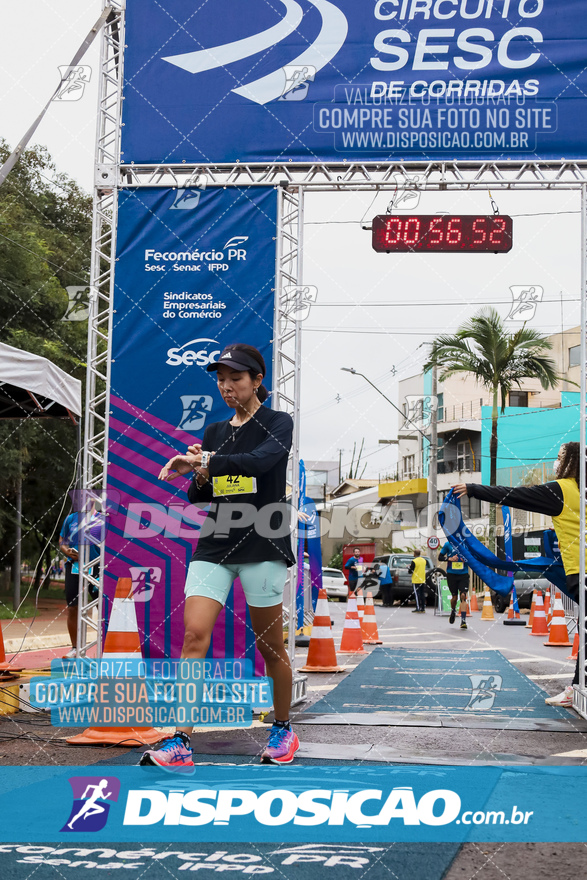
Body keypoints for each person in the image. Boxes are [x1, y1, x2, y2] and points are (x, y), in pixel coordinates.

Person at [141, 344, 299, 769]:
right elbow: (202, 493)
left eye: (236, 379)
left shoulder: (277, 423)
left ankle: (283, 728)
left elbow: (260, 464)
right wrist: (197, 470)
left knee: (270, 647)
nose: (227, 387)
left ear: (257, 381)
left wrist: (207, 460)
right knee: (194, 637)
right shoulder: (213, 432)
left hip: (263, 540)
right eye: (221, 379)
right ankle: (180, 741)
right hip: (216, 542)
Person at [454, 440, 585, 707]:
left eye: (560, 457)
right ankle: (576, 688)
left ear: (571, 461)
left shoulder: (562, 490)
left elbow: (515, 495)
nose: (556, 462)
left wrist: (473, 489)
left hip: (580, 573)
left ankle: (577, 688)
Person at [59, 507, 102, 658]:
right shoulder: (70, 519)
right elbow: (62, 541)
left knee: (101, 606)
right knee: (72, 607)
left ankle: (104, 647)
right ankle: (75, 648)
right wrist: (67, 551)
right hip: (74, 566)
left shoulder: (102, 518)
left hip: (96, 565)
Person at [438, 540, 469, 629]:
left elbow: (473, 557)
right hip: (452, 574)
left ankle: (463, 620)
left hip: (463, 574)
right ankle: (453, 611)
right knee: (454, 597)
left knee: (463, 595)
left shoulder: (466, 544)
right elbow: (440, 557)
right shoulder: (448, 544)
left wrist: (466, 559)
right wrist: (449, 559)